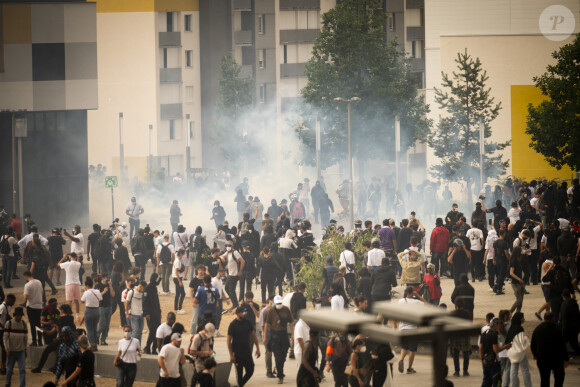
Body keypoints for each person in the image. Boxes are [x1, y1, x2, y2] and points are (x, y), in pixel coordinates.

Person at [31, 304, 76, 374]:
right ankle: (57, 368)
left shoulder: (60, 319)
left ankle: (39, 367)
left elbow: (55, 331)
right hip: (69, 341)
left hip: (61, 340)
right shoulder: (71, 318)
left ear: (62, 310)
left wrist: (43, 330)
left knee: (47, 350)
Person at [531, 312, 568, 387]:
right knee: (559, 378)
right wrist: (565, 358)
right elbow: (562, 345)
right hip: (556, 359)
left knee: (544, 379)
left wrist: (535, 354)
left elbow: (533, 344)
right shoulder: (557, 329)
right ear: (552, 319)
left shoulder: (537, 329)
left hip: (542, 359)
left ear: (544, 319)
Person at [228, 306, 261, 387]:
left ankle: (240, 385)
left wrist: (258, 348)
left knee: (250, 370)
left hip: (247, 351)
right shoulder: (233, 325)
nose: (245, 314)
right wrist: (231, 355)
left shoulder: (248, 322)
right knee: (239, 373)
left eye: (246, 312)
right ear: (238, 314)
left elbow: (254, 336)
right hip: (237, 352)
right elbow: (228, 340)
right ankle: (240, 385)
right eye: (243, 312)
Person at [263, 295, 293, 384]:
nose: (279, 305)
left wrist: (293, 334)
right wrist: (265, 337)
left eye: (280, 303)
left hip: (283, 334)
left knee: (283, 355)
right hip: (274, 335)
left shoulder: (286, 309)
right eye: (277, 303)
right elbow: (266, 324)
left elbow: (291, 322)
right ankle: (280, 375)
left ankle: (279, 368)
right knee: (277, 355)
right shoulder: (270, 311)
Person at [397, 286, 427, 374]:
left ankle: (401, 359)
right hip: (413, 329)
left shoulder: (401, 301)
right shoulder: (416, 302)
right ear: (412, 293)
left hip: (403, 328)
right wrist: (418, 296)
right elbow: (426, 304)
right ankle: (409, 368)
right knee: (412, 349)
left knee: (404, 347)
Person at [480, 317, 511, 387]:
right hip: (494, 361)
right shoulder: (494, 334)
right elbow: (496, 350)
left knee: (486, 380)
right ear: (495, 324)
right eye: (500, 325)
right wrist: (506, 347)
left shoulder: (484, 333)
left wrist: (482, 358)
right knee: (497, 380)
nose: (500, 327)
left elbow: (480, 347)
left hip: (485, 361)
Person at [504, 312, 532, 387]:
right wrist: (526, 337)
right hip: (520, 353)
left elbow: (508, 341)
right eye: (523, 317)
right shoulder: (520, 328)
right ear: (519, 319)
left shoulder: (511, 328)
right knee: (525, 371)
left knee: (513, 371)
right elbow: (523, 342)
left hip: (512, 353)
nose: (524, 319)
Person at [3, 307, 27, 387]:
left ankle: (22, 385)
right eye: (18, 315)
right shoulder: (9, 323)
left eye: (20, 316)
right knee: (9, 369)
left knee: (22, 369)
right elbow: (5, 337)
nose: (19, 317)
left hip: (21, 350)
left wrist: (25, 349)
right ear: (15, 315)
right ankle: (7, 383)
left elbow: (25, 338)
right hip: (12, 351)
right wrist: (7, 350)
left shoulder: (24, 324)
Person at [220, 241, 245, 310]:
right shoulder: (228, 252)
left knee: (231, 290)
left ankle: (235, 305)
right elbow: (222, 256)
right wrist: (222, 257)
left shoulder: (235, 252)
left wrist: (240, 271)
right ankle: (235, 302)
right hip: (229, 274)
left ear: (232, 246)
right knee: (227, 288)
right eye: (227, 245)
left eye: (229, 245)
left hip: (234, 274)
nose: (228, 247)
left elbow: (242, 261)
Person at [58, 253, 82, 320]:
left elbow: (58, 264)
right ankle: (77, 316)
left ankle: (69, 315)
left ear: (70, 257)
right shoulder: (78, 264)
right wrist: (78, 257)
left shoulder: (67, 264)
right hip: (77, 283)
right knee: (76, 301)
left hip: (69, 283)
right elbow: (78, 262)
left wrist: (64, 257)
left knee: (69, 301)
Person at [23, 270, 43, 346]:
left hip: (31, 306)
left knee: (32, 324)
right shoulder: (39, 282)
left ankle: (34, 341)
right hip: (39, 306)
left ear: (26, 276)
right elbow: (41, 292)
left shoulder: (27, 285)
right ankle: (40, 341)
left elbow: (25, 297)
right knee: (38, 324)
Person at [81, 277, 102, 351]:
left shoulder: (86, 292)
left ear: (86, 285)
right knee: (94, 328)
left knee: (89, 329)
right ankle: (95, 344)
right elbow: (100, 299)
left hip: (89, 310)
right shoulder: (97, 291)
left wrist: (85, 291)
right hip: (96, 310)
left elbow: (82, 300)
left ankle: (92, 345)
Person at [143, 273, 162, 355]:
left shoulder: (154, 288)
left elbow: (157, 301)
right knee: (152, 331)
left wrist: (159, 311)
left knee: (158, 332)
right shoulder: (147, 288)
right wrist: (146, 313)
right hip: (150, 314)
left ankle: (154, 349)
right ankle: (147, 347)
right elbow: (145, 302)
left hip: (156, 313)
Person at [559, 288, 580, 356]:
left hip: (568, 329)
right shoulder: (574, 303)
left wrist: (563, 329)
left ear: (562, 295)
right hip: (575, 327)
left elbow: (564, 318)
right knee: (574, 344)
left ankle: (563, 358)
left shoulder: (564, 304)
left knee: (562, 343)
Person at [0, 294, 16, 375]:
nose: (13, 303)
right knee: (4, 348)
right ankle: (3, 368)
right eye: (13, 301)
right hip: (1, 330)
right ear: (9, 299)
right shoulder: (2, 307)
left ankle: (3, 367)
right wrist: (4, 327)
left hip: (3, 330)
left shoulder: (7, 307)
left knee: (4, 349)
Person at [95, 274, 112, 346]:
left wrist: (111, 286)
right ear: (102, 278)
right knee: (102, 324)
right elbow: (96, 297)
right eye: (106, 278)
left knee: (107, 325)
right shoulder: (98, 286)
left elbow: (113, 295)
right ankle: (96, 337)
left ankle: (103, 340)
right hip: (101, 306)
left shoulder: (109, 285)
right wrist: (104, 292)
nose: (107, 279)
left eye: (107, 278)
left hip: (109, 306)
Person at [509, 246, 526, 314]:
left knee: (521, 301)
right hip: (515, 283)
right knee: (519, 300)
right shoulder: (513, 261)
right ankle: (510, 312)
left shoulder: (518, 260)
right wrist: (519, 279)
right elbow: (511, 273)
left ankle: (518, 314)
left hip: (520, 283)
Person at [172, 249, 186, 314]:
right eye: (183, 254)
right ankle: (179, 308)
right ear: (181, 254)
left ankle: (176, 308)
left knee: (178, 294)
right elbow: (176, 272)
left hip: (176, 278)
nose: (184, 255)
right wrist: (180, 281)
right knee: (183, 293)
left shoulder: (178, 260)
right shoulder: (177, 261)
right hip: (177, 278)